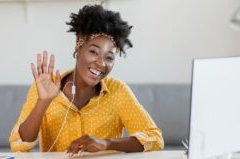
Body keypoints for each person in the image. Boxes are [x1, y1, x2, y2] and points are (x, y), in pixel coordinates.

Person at [9, 4, 164, 157]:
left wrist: (107, 144)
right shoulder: (45, 87)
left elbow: (155, 138)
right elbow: (18, 146)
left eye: (109, 57)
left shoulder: (118, 91)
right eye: (93, 52)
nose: (101, 63)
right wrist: (43, 101)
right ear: (78, 49)